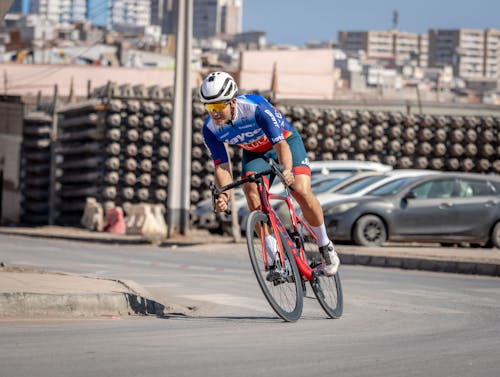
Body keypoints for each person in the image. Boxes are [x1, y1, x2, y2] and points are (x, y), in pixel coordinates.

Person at [199, 71, 340, 276]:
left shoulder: (256, 108)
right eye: (210, 108)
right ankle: (275, 257)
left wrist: (288, 171)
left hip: (285, 143)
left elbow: (281, 145)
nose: (215, 113)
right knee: (250, 189)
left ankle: (325, 245)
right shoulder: (210, 129)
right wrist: (223, 195)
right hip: (255, 153)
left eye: (219, 106)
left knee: (300, 190)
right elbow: (221, 166)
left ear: (233, 102)